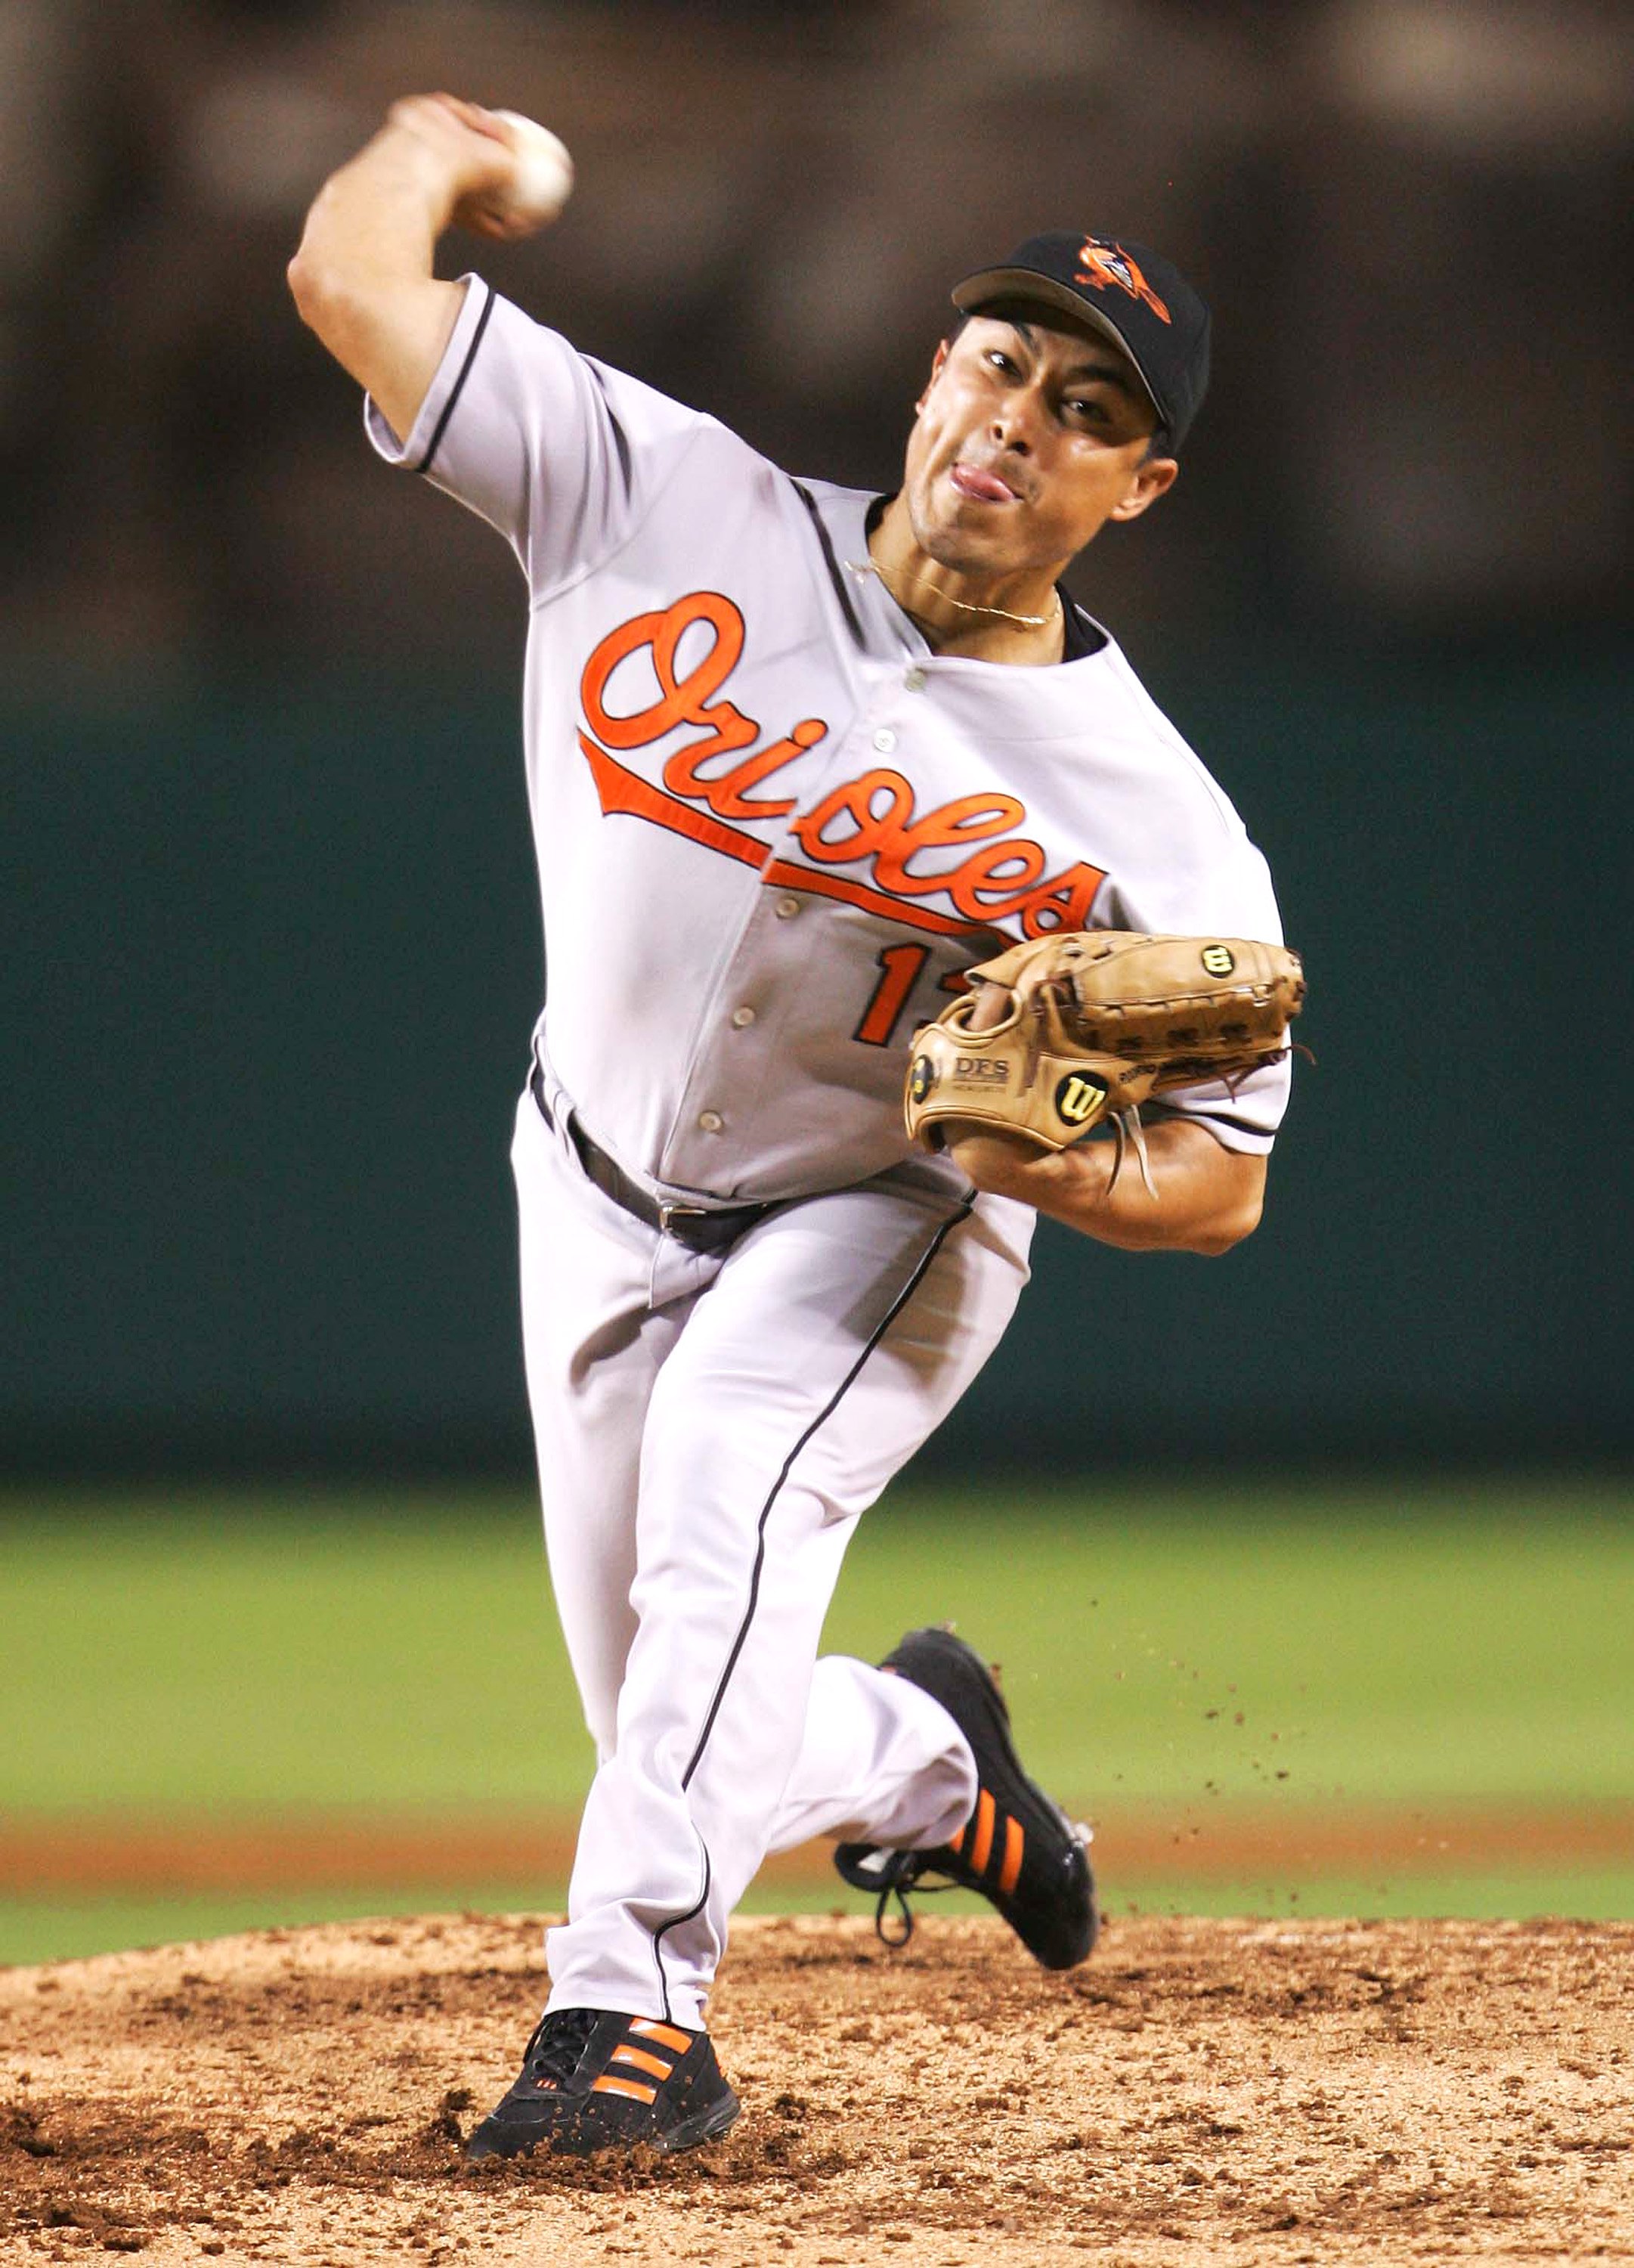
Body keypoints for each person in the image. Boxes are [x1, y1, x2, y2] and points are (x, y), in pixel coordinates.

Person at [289, 94, 1290, 2161]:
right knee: (683, 1705)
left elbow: (1225, 1181)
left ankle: (627, 2021)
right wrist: (434, 140)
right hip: (582, 1177)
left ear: (1136, 483)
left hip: (877, 1211)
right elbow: (348, 278)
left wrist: (1073, 1171)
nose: (1020, 415)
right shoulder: (665, 497)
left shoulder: (1157, 823)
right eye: (1003, 359)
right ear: (939, 371)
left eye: (1086, 408)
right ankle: (934, 1764)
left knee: (729, 1516)